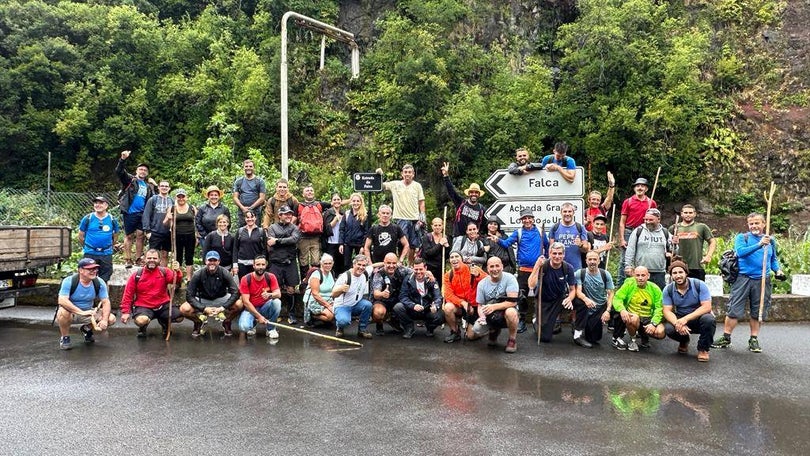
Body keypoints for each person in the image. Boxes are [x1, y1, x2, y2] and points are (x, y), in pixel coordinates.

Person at [712, 213, 786, 353]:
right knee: (734, 309)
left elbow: (773, 259)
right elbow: (740, 253)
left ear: (764, 224)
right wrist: (759, 244)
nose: (754, 226)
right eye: (751, 223)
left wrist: (778, 271)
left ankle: (753, 339)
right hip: (743, 278)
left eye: (757, 223)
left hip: (762, 279)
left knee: (758, 311)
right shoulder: (742, 238)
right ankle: (726, 337)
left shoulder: (771, 241)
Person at [489, 208, 547, 333]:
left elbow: (547, 246)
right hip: (523, 270)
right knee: (522, 296)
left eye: (529, 218)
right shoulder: (519, 232)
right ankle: (521, 320)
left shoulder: (541, 232)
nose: (527, 220)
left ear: (533, 218)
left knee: (539, 295)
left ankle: (537, 319)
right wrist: (497, 240)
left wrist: (545, 260)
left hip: (538, 270)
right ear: (521, 220)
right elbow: (506, 244)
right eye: (524, 218)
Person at [120, 249, 183, 338]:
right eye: (149, 258)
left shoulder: (164, 271)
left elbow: (176, 280)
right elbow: (128, 294)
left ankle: (164, 323)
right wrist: (125, 312)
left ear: (159, 260)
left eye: (155, 258)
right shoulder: (137, 275)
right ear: (144, 260)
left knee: (179, 317)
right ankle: (143, 327)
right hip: (144, 306)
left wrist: (177, 271)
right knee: (141, 320)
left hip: (163, 305)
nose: (152, 260)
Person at [56, 258, 116, 350]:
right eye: (90, 269)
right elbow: (62, 300)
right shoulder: (69, 281)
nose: (94, 271)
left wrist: (104, 320)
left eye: (95, 269)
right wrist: (81, 312)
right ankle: (65, 338)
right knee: (62, 312)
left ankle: (86, 329)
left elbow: (106, 301)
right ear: (80, 270)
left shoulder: (99, 282)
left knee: (111, 319)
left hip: (88, 311)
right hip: (71, 312)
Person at [180, 250, 242, 338]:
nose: (212, 263)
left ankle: (227, 322)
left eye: (214, 260)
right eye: (210, 260)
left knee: (239, 304)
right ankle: (198, 322)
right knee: (184, 309)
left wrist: (223, 307)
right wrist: (203, 308)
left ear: (219, 262)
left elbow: (235, 292)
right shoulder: (198, 274)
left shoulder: (225, 273)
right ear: (205, 261)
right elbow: (189, 295)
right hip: (203, 299)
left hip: (221, 298)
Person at [662, 261, 715, 361]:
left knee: (709, 319)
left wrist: (685, 319)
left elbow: (706, 307)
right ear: (671, 276)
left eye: (680, 272)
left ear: (686, 273)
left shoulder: (699, 285)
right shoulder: (668, 290)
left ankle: (703, 349)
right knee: (669, 328)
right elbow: (667, 311)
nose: (678, 276)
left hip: (698, 318)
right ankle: (684, 340)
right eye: (674, 273)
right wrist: (677, 323)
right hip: (680, 318)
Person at [376, 164, 425, 264]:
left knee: (413, 245)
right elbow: (381, 186)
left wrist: (422, 216)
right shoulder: (395, 184)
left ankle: (410, 266)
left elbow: (421, 201)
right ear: (402, 174)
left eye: (409, 172)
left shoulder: (417, 186)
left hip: (414, 218)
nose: (407, 174)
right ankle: (399, 263)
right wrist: (380, 175)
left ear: (413, 174)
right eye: (405, 172)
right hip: (400, 218)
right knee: (401, 244)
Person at [528, 242, 577, 343]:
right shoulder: (543, 265)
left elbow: (573, 290)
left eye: (560, 254)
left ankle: (578, 332)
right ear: (549, 254)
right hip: (543, 300)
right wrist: (536, 267)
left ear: (564, 254)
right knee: (544, 338)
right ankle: (536, 320)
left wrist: (570, 298)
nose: (557, 256)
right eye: (554, 253)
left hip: (559, 299)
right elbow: (531, 285)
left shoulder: (568, 268)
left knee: (580, 302)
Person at [115, 150, 156, 268]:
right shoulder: (130, 180)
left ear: (147, 173)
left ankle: (138, 258)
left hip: (142, 214)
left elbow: (154, 198)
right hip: (130, 212)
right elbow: (119, 172)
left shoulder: (147, 186)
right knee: (129, 236)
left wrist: (155, 185)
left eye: (145, 170)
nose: (143, 171)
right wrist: (122, 159)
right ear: (137, 171)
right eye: (141, 169)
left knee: (140, 235)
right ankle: (127, 259)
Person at [612, 266, 665, 352]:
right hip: (633, 316)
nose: (640, 278)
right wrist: (622, 309)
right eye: (637, 275)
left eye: (643, 275)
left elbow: (659, 308)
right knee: (633, 318)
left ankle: (644, 336)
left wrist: (653, 323)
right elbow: (617, 298)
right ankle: (632, 341)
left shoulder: (655, 288)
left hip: (648, 318)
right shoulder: (629, 284)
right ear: (633, 275)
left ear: (648, 276)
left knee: (660, 332)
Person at [265, 204, 302, 324]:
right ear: (279, 215)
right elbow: (271, 242)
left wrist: (278, 241)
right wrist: (283, 240)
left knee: (291, 289)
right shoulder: (272, 227)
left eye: (290, 214)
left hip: (290, 262)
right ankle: (278, 313)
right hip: (275, 262)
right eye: (286, 214)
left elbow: (294, 239)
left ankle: (291, 314)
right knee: (276, 289)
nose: (289, 216)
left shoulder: (294, 228)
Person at [475, 257, 520, 353]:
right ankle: (494, 331)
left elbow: (513, 302)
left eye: (497, 266)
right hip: (491, 314)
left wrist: (493, 307)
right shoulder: (482, 284)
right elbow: (480, 305)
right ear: (487, 269)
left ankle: (512, 340)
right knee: (476, 329)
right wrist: (482, 317)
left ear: (502, 267)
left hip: (506, 311)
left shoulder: (510, 278)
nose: (495, 269)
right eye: (491, 266)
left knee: (511, 312)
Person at [617, 177, 657, 285]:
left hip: (644, 232)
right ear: (634, 188)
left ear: (646, 189)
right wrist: (621, 238)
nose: (640, 188)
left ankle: (641, 283)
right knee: (624, 260)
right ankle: (621, 285)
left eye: (642, 186)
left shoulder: (651, 203)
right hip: (629, 231)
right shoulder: (628, 201)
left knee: (642, 257)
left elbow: (655, 220)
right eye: (638, 186)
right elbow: (622, 222)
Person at [442, 251, 488, 343]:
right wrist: (463, 303)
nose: (454, 259)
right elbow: (448, 295)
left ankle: (486, 331)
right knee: (447, 307)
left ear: (462, 259)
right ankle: (455, 332)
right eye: (451, 257)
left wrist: (478, 275)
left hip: (474, 306)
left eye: (456, 256)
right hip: (460, 305)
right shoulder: (448, 275)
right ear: (449, 261)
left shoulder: (473, 269)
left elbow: (488, 281)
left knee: (470, 336)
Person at [572, 251, 615, 348]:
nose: (592, 262)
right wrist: (586, 299)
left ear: (599, 261)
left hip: (599, 308)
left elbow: (611, 293)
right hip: (587, 306)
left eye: (595, 259)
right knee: (579, 301)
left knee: (594, 338)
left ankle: (617, 336)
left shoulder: (605, 274)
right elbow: (578, 291)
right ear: (586, 261)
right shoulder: (580, 273)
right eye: (590, 259)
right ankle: (577, 329)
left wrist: (607, 311)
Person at [297, 185, 339, 280]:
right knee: (303, 260)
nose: (309, 192)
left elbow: (336, 203)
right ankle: (304, 281)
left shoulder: (320, 204)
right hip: (303, 237)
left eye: (311, 190)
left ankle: (315, 279)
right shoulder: (298, 205)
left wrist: (351, 199)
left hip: (316, 237)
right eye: (307, 190)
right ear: (303, 194)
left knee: (316, 260)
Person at [395, 258, 444, 338]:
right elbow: (403, 296)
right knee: (398, 307)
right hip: (413, 309)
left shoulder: (431, 279)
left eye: (421, 269)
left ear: (426, 268)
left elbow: (438, 296)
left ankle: (430, 328)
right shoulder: (408, 279)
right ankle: (409, 328)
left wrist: (435, 305)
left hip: (427, 309)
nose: (418, 272)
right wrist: (413, 305)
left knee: (440, 315)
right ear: (413, 269)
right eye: (416, 269)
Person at [624, 208, 671, 289]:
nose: (647, 222)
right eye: (646, 219)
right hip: (641, 272)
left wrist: (675, 244)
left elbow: (674, 250)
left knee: (658, 297)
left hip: (659, 272)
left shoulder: (665, 232)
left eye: (651, 219)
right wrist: (628, 265)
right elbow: (630, 249)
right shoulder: (638, 231)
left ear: (658, 219)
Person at [236, 255, 281, 339]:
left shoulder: (270, 277)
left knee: (277, 302)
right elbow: (246, 302)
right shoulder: (246, 279)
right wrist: (259, 317)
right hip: (251, 309)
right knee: (244, 327)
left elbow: (278, 294)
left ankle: (271, 328)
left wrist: (270, 294)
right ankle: (252, 325)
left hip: (265, 307)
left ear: (266, 265)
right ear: (253, 266)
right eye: (258, 264)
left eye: (263, 264)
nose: (260, 267)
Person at [77, 195, 120, 283]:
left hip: (106, 253)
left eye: (101, 203)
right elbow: (81, 235)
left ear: (106, 206)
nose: (98, 205)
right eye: (96, 203)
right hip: (90, 253)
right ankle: (88, 296)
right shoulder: (88, 218)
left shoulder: (112, 219)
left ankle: (103, 296)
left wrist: (110, 245)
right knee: (87, 277)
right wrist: (86, 246)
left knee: (105, 279)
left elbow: (116, 234)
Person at [331, 254, 374, 339]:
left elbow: (373, 266)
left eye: (363, 265)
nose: (361, 267)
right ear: (354, 264)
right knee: (344, 321)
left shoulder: (365, 272)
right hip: (342, 306)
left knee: (368, 305)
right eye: (359, 265)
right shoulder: (345, 277)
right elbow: (333, 294)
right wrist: (341, 289)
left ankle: (362, 329)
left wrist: (385, 263)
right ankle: (340, 328)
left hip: (355, 304)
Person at [669, 204, 716, 281]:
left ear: (695, 214)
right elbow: (666, 245)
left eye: (690, 213)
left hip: (696, 266)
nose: (688, 215)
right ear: (681, 214)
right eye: (686, 213)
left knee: (697, 291)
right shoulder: (674, 228)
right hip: (678, 267)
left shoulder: (702, 227)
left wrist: (708, 256)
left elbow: (712, 241)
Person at [441, 161, 487, 236]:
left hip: (473, 239)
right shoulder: (461, 202)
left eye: (476, 192)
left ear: (479, 194)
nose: (474, 194)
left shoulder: (482, 209)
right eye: (472, 192)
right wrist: (446, 176)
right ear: (469, 193)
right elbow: (451, 191)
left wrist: (480, 234)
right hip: (459, 237)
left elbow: (484, 225)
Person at [371, 253, 411, 335]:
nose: (391, 266)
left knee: (406, 304)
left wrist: (428, 273)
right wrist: (382, 293)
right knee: (378, 313)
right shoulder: (378, 274)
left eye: (394, 263)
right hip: (382, 301)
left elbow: (417, 272)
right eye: (388, 263)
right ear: (384, 263)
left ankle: (394, 320)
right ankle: (380, 323)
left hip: (397, 300)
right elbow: (376, 293)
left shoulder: (402, 270)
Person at [548, 202, 590, 270]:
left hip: (575, 268)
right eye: (565, 211)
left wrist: (580, 245)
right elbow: (551, 249)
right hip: (558, 268)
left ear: (573, 213)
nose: (567, 214)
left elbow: (586, 249)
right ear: (561, 213)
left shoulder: (580, 227)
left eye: (569, 211)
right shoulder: (555, 228)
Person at [165, 189, 196, 281]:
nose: (181, 198)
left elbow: (196, 222)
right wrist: (168, 218)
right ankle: (178, 277)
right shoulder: (172, 208)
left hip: (190, 235)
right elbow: (166, 224)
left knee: (189, 256)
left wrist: (197, 236)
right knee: (177, 257)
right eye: (179, 197)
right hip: (177, 236)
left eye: (183, 196)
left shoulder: (192, 208)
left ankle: (189, 279)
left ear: (186, 197)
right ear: (176, 198)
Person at [142, 180, 173, 266]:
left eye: (166, 186)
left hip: (167, 232)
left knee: (165, 254)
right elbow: (146, 215)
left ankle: (163, 274)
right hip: (155, 231)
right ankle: (151, 273)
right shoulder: (153, 199)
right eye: (162, 186)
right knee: (152, 254)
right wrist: (147, 231)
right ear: (158, 187)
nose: (164, 188)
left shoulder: (172, 201)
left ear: (169, 188)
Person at [303, 253, 337, 326]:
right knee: (330, 316)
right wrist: (328, 306)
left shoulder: (332, 273)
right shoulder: (316, 275)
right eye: (325, 263)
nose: (328, 265)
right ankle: (312, 316)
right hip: (315, 301)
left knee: (339, 311)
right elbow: (315, 294)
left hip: (329, 299)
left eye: (330, 263)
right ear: (321, 263)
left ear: (333, 263)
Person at [339, 192, 369, 271]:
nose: (356, 203)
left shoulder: (365, 215)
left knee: (360, 263)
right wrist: (341, 243)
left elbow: (366, 232)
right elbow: (342, 229)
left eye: (358, 201)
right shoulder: (347, 213)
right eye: (354, 201)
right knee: (346, 264)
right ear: (351, 202)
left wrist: (363, 246)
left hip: (359, 243)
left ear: (361, 202)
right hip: (347, 243)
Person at [232, 159, 267, 227]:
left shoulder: (259, 181)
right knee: (242, 232)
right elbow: (235, 197)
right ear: (243, 168)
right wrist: (243, 208)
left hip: (256, 211)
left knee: (256, 232)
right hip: (242, 212)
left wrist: (251, 208)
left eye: (250, 166)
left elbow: (262, 198)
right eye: (246, 166)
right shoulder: (239, 181)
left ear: (254, 168)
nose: (248, 168)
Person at [232, 210, 266, 278]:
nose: (250, 219)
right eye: (247, 217)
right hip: (242, 263)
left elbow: (264, 249)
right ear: (245, 218)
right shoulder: (240, 231)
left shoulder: (261, 231)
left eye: (252, 217)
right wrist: (235, 265)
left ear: (255, 218)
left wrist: (263, 263)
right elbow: (235, 248)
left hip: (256, 264)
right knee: (243, 284)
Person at [419, 217, 450, 284]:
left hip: (440, 268)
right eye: (435, 225)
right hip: (429, 268)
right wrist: (440, 244)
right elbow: (429, 253)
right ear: (432, 226)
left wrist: (447, 247)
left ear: (442, 226)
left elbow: (447, 256)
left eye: (439, 225)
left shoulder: (445, 237)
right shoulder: (427, 237)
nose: (437, 227)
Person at [323, 193, 345, 273]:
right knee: (331, 264)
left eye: (338, 199)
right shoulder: (328, 212)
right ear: (331, 202)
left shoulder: (344, 213)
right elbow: (327, 228)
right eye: (334, 200)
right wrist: (336, 219)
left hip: (341, 243)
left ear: (341, 201)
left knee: (341, 264)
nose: (336, 201)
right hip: (331, 242)